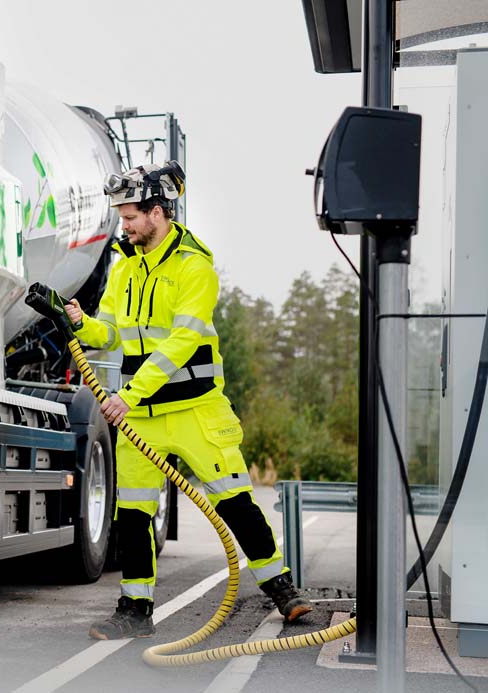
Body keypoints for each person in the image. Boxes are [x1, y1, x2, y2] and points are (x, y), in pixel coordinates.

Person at [65, 162, 312, 640]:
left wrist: (128, 395)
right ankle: (135, 610)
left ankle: (283, 590)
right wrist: (81, 323)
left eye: (130, 215)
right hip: (144, 416)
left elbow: (181, 342)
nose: (124, 225)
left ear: (158, 213)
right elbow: (110, 331)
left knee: (236, 503)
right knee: (133, 513)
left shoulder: (195, 267)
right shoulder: (125, 267)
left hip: (197, 410)